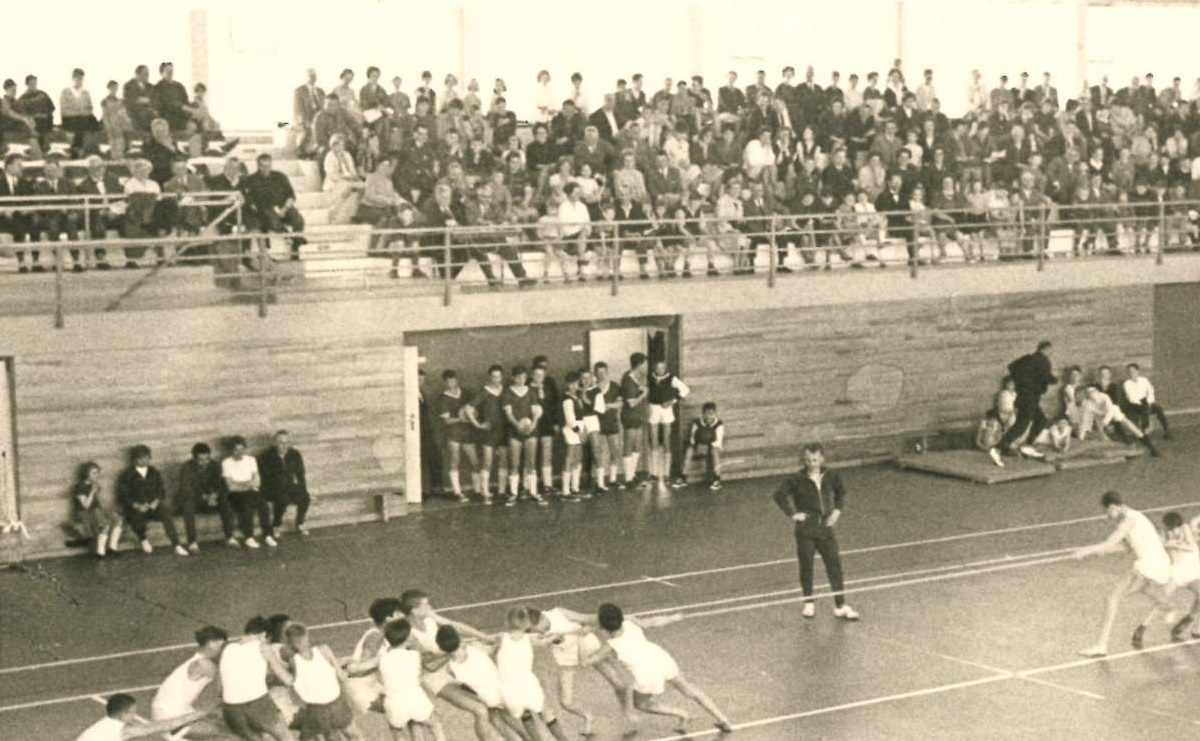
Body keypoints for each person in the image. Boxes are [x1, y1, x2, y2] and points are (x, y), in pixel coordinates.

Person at [584, 604, 732, 735]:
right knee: (690, 690)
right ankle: (722, 718)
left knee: (641, 704)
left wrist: (579, 641)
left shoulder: (610, 646)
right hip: (660, 658)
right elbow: (653, 621)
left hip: (646, 673)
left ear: (603, 626)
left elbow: (586, 662)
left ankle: (681, 713)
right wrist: (673, 617)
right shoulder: (630, 622)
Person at [1074, 491, 1176, 656]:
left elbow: (1110, 542)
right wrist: (1101, 551)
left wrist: (1086, 550)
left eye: (1107, 511)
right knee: (1145, 589)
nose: (1107, 516)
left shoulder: (1128, 521)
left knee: (1112, 598)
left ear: (1114, 506)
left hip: (1148, 564)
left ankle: (1101, 645)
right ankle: (1169, 607)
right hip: (1160, 563)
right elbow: (1126, 547)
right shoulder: (1137, 517)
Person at [398, 589, 504, 741]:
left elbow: (456, 626)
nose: (429, 608)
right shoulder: (409, 634)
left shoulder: (429, 617)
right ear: (414, 611)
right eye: (426, 605)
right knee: (480, 710)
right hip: (437, 679)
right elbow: (428, 665)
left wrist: (485, 637)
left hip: (455, 668)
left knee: (492, 704)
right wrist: (452, 651)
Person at [772, 442, 860, 621]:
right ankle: (809, 602)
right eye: (807, 460)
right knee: (807, 565)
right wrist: (793, 514)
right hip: (806, 529)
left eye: (814, 459)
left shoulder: (832, 475)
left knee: (834, 565)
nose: (811, 463)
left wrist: (836, 511)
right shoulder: (796, 479)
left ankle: (840, 605)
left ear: (822, 459)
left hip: (825, 528)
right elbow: (779, 495)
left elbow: (841, 492)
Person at [527, 606, 637, 736]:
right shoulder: (531, 633)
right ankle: (588, 717)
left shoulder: (559, 613)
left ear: (541, 618)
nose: (532, 632)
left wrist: (618, 619)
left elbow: (588, 618)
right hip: (566, 660)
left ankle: (628, 719)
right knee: (566, 702)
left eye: (532, 628)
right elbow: (539, 641)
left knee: (617, 682)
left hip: (589, 647)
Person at [435, 626, 528, 740]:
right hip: (501, 690)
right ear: (458, 637)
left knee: (500, 724)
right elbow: (493, 649)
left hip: (487, 698)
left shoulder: (450, 668)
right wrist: (499, 642)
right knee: (516, 721)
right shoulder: (475, 647)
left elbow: (463, 686)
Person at [496, 608, 571, 741]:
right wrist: (555, 636)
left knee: (525, 715)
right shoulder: (529, 639)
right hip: (527, 684)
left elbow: (490, 646)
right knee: (546, 712)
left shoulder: (501, 638)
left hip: (508, 687)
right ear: (527, 624)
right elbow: (544, 642)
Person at [219, 616, 296, 740]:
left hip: (231, 710)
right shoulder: (263, 648)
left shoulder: (228, 648)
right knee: (286, 737)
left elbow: (222, 687)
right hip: (258, 705)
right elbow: (287, 680)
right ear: (264, 635)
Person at [285, 623, 364, 741]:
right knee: (355, 736)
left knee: (327, 735)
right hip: (337, 705)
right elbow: (341, 676)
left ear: (290, 643)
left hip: (316, 711)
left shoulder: (293, 662)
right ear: (306, 636)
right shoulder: (324, 649)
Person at [987, 341, 1058, 467]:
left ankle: (1027, 445)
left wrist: (1022, 383)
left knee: (1041, 420)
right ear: (1046, 349)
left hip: (1022, 397)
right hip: (1030, 398)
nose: (1051, 353)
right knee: (1022, 424)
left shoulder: (1026, 359)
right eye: (1050, 351)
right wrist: (1054, 379)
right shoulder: (1043, 361)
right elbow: (1047, 378)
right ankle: (997, 448)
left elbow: (1011, 367)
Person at [150, 626, 228, 738]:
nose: (223, 650)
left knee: (216, 722)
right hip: (170, 719)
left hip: (166, 713)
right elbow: (222, 688)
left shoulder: (195, 660)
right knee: (222, 732)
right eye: (222, 646)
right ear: (211, 644)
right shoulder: (205, 664)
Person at [379, 619, 448, 741]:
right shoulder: (415, 655)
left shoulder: (381, 658)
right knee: (435, 725)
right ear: (407, 639)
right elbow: (429, 664)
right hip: (415, 699)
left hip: (394, 703)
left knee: (397, 732)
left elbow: (362, 669)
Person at [117, 445, 185, 556]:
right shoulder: (127, 475)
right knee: (135, 517)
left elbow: (161, 490)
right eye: (140, 458)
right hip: (137, 507)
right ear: (134, 459)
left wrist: (155, 502)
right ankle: (143, 539)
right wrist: (137, 505)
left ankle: (176, 545)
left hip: (153, 505)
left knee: (166, 514)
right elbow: (124, 495)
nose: (143, 460)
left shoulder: (154, 472)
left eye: (146, 458)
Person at [341, 597, 402, 713]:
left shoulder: (386, 635)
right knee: (402, 709)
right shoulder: (375, 637)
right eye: (399, 613)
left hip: (374, 683)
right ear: (389, 619)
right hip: (360, 688)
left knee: (405, 711)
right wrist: (379, 662)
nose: (404, 616)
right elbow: (360, 670)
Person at [244, 154, 307, 260]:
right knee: (271, 218)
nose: (265, 169)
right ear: (258, 166)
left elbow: (291, 195)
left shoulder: (280, 176)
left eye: (268, 166)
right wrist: (257, 209)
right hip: (264, 208)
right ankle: (289, 236)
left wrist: (285, 208)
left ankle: (295, 245)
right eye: (262, 166)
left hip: (283, 206)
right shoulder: (251, 180)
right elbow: (250, 201)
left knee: (298, 220)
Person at [176, 442, 237, 551]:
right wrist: (205, 497)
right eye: (201, 459)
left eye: (207, 459)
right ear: (194, 459)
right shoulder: (186, 468)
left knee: (225, 501)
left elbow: (222, 485)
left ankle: (230, 537)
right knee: (188, 505)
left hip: (211, 500)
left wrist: (215, 495)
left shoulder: (214, 465)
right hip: (195, 500)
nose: (205, 462)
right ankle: (192, 542)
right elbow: (186, 490)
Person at [76, 693, 208, 741]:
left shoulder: (105, 724)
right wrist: (194, 715)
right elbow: (160, 727)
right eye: (132, 713)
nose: (134, 716)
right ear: (123, 714)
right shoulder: (122, 730)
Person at [222, 436, 276, 549]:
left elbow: (257, 482)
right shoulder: (226, 463)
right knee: (246, 506)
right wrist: (247, 484)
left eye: (242, 449)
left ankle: (267, 535)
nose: (239, 452)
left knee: (263, 504)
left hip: (251, 491)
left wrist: (240, 484)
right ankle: (249, 537)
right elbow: (230, 486)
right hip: (236, 494)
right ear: (231, 450)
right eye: (236, 449)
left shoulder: (251, 460)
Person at [466, 365, 510, 505]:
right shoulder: (484, 392)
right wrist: (477, 424)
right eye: (494, 377)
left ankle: (502, 491)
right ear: (490, 377)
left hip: (503, 430)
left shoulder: (506, 390)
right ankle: (485, 492)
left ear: (502, 377)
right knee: (487, 461)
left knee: (503, 461)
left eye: (499, 376)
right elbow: (468, 408)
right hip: (489, 432)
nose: (496, 379)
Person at [503, 365, 545, 506]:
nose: (521, 379)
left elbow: (535, 411)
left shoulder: (531, 392)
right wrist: (518, 426)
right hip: (515, 432)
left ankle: (533, 492)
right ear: (513, 378)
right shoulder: (507, 392)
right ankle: (513, 494)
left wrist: (532, 424)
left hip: (531, 431)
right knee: (514, 463)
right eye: (518, 377)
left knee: (531, 463)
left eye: (524, 377)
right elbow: (508, 414)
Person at [646, 360, 690, 493]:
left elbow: (685, 390)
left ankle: (666, 474)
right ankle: (654, 473)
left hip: (666, 409)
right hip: (653, 408)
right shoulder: (650, 377)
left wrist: (672, 401)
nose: (660, 369)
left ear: (665, 368)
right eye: (658, 367)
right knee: (653, 440)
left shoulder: (672, 378)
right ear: (654, 368)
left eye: (662, 367)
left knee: (666, 440)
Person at [1079, 386, 1159, 457]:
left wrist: (1104, 424)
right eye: (1089, 394)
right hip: (1101, 418)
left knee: (1131, 427)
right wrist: (1081, 437)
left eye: (1093, 392)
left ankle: (1150, 447)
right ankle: (1125, 447)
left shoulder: (1104, 396)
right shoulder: (1088, 404)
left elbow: (1110, 411)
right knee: (1108, 435)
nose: (1092, 395)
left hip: (1113, 413)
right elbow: (1085, 421)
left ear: (1097, 392)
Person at [258, 430, 311, 536]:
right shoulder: (266, 456)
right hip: (271, 488)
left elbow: (300, 474)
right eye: (281, 442)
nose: (284, 445)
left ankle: (299, 523)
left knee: (305, 497)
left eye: (287, 442)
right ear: (274, 443)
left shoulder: (295, 454)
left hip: (288, 485)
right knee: (283, 499)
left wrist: (303, 489)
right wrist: (280, 484)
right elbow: (264, 477)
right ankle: (276, 525)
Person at [438, 370, 479, 502]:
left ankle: (478, 490)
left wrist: (473, 415)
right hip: (453, 432)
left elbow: (475, 410)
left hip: (467, 431)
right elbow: (447, 421)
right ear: (445, 383)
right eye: (449, 381)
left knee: (475, 461)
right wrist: (461, 418)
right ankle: (457, 492)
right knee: (455, 461)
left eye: (454, 380)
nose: (452, 383)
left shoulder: (466, 393)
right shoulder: (443, 398)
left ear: (457, 380)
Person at [1161, 512, 1200, 642]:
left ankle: (1193, 623)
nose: (1174, 530)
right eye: (1171, 528)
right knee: (1162, 595)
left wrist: (1176, 544)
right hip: (1176, 571)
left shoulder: (1186, 528)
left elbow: (1192, 547)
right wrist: (1168, 544)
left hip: (1192, 568)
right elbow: (1161, 545)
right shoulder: (1165, 534)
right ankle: (1144, 625)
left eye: (1176, 527)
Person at [674, 402, 725, 491]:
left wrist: (707, 446)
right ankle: (683, 478)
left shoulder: (719, 424)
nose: (708, 416)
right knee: (689, 450)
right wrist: (697, 445)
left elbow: (718, 441)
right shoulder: (697, 422)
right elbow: (693, 437)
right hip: (699, 444)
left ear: (714, 413)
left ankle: (717, 479)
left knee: (714, 451)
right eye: (706, 413)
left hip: (712, 445)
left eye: (711, 413)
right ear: (702, 413)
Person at [73, 462, 120, 558]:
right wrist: (92, 491)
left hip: (96, 509)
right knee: (105, 524)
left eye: (98, 473)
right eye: (93, 473)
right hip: (85, 512)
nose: (97, 475)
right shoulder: (80, 487)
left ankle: (113, 547)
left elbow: (98, 502)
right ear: (86, 474)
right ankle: (100, 551)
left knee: (118, 520)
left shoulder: (94, 484)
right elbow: (86, 506)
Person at [529, 362, 560, 499]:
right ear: (531, 375)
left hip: (547, 425)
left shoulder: (548, 388)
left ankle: (547, 484)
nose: (539, 377)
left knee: (546, 455)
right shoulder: (527, 389)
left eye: (541, 375)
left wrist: (554, 422)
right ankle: (529, 486)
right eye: (536, 375)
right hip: (533, 426)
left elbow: (553, 407)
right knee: (531, 456)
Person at [620, 353, 650, 488]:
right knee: (629, 445)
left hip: (638, 415)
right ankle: (627, 479)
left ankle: (632, 475)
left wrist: (642, 389)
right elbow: (631, 403)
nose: (646, 366)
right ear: (639, 365)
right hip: (630, 416)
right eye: (645, 364)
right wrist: (644, 394)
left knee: (637, 446)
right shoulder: (627, 379)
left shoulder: (636, 377)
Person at [593, 362, 624, 490]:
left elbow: (620, 403)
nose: (601, 375)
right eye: (599, 373)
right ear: (595, 374)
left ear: (607, 372)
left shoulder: (615, 386)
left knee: (615, 450)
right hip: (597, 423)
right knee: (598, 452)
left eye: (603, 372)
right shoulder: (593, 387)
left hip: (611, 421)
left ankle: (612, 479)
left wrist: (607, 406)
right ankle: (599, 481)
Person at [1121, 363, 1170, 440]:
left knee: (1158, 408)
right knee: (1144, 409)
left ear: (1138, 372)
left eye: (1133, 371)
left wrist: (1149, 402)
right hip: (1135, 404)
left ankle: (1167, 430)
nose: (1131, 374)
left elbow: (1151, 391)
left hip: (1147, 401)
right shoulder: (1127, 384)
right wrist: (1142, 404)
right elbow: (1131, 397)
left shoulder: (1144, 380)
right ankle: (1145, 432)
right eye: (1129, 372)